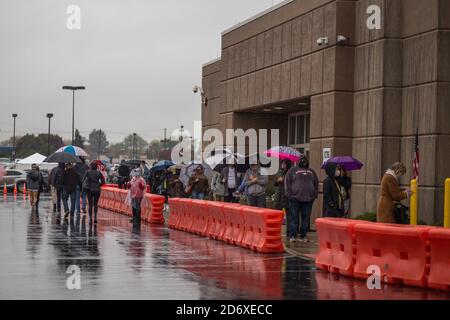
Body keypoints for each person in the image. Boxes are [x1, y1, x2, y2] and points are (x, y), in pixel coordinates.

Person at [285, 157, 319, 242]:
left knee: (306, 218)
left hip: (308, 199)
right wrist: (289, 194)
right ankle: (293, 235)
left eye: (305, 160)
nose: (304, 161)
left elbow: (316, 183)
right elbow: (287, 182)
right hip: (294, 199)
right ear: (299, 161)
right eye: (302, 160)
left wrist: (314, 195)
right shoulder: (292, 170)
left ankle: (303, 235)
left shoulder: (311, 171)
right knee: (294, 217)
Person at [274, 159, 292, 236]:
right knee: (277, 215)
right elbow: (274, 183)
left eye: (284, 164)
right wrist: (278, 180)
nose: (282, 165)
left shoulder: (290, 172)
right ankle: (276, 230)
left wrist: (285, 180)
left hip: (287, 196)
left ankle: (289, 232)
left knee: (289, 216)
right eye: (282, 164)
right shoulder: (280, 172)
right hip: (279, 196)